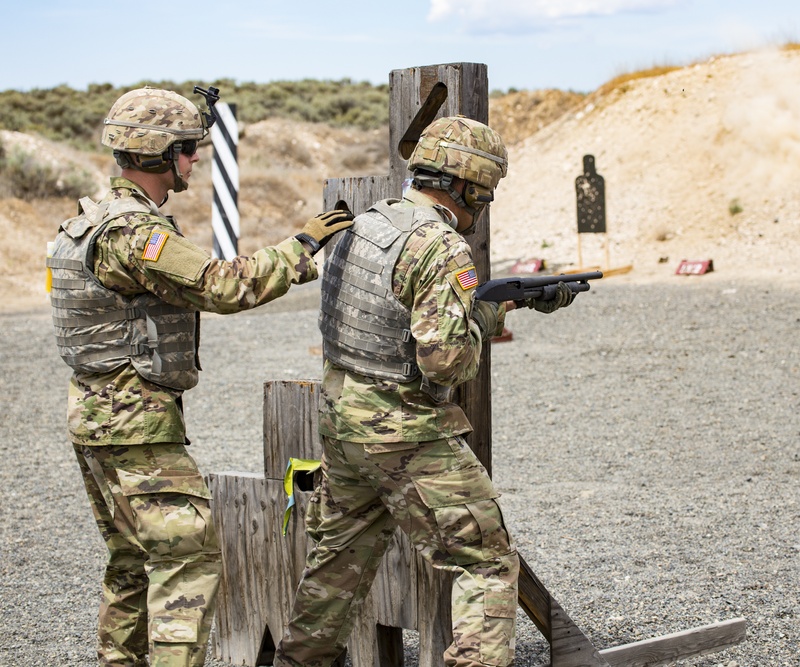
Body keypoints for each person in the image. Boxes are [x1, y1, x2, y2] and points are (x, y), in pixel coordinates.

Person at [46, 86, 354, 667]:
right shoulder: (135, 233)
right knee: (187, 563)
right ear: (161, 155)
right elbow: (222, 284)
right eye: (186, 149)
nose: (192, 161)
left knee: (132, 563)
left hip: (95, 418)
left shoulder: (86, 223)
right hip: (135, 425)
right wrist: (303, 246)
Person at [272, 115, 575, 667]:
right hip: (404, 430)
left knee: (337, 564)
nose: (484, 201)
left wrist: (498, 302)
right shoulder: (441, 246)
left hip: (343, 419)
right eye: (485, 190)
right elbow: (447, 362)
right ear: (469, 186)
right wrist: (482, 319)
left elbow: (393, 316)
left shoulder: (363, 224)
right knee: (484, 561)